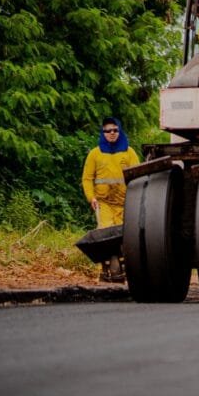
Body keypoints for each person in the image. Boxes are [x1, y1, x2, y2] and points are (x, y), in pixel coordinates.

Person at [81, 117, 140, 282]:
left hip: (125, 203)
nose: (111, 133)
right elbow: (87, 179)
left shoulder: (129, 152)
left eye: (115, 130)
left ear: (119, 131)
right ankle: (106, 269)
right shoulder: (95, 154)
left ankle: (126, 267)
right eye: (108, 131)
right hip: (104, 202)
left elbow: (138, 176)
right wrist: (91, 197)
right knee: (105, 233)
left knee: (125, 236)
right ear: (103, 133)